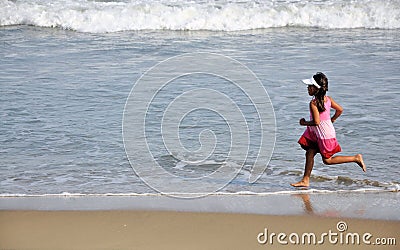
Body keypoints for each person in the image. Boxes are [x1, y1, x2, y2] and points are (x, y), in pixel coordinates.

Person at [291, 72, 366, 188]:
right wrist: (332, 120)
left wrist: (304, 123)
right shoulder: (328, 99)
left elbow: (316, 122)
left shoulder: (313, 103)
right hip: (321, 132)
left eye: (309, 86)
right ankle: (305, 180)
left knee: (328, 160)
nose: (307, 88)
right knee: (310, 152)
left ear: (316, 89)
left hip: (324, 134)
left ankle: (355, 158)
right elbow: (340, 110)